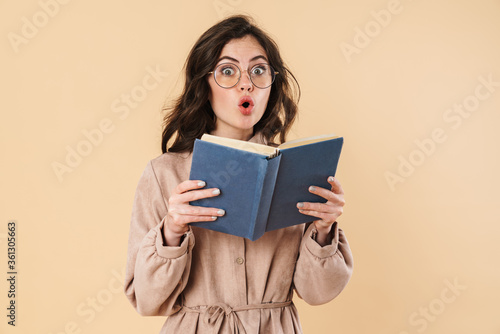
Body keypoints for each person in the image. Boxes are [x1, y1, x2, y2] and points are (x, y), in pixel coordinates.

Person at [124, 14, 353, 334]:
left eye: (259, 70)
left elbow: (318, 293)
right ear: (203, 84)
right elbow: (147, 301)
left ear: (272, 85)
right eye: (227, 71)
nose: (246, 83)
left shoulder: (297, 169)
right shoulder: (164, 173)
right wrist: (172, 231)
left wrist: (325, 230)